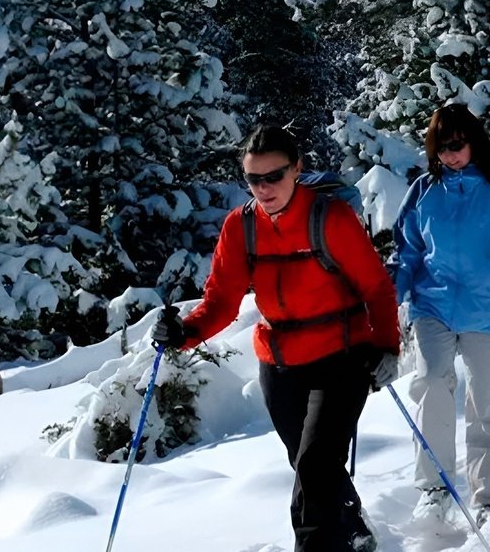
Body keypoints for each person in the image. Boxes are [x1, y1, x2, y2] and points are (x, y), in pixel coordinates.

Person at [154, 125, 399, 552]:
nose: (263, 188)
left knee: (316, 464)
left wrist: (386, 347)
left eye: (274, 176)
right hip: (281, 364)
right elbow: (221, 302)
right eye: (253, 179)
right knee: (309, 466)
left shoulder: (331, 218)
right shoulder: (240, 227)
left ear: (296, 169)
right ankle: (352, 528)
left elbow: (376, 288)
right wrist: (184, 332)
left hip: (342, 356)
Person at [391, 104, 490, 525]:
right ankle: (435, 489)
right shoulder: (423, 190)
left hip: (485, 309)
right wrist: (395, 285)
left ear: (474, 141)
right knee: (431, 386)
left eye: (457, 145)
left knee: (487, 404)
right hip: (433, 306)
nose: (450, 155)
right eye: (441, 148)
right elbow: (406, 249)